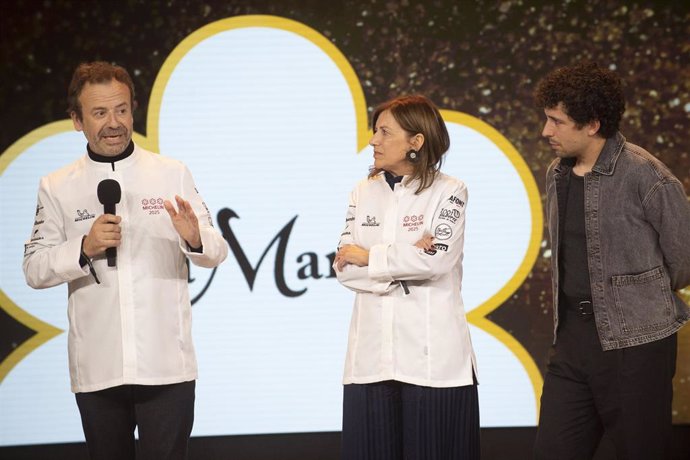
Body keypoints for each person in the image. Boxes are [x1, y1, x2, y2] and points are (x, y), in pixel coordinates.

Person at [22, 61, 228, 460]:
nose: (113, 123)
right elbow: (34, 268)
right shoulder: (56, 185)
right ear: (76, 121)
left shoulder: (171, 172)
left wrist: (193, 236)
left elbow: (216, 250)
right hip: (98, 368)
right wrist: (83, 246)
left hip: (167, 365)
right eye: (99, 113)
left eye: (121, 110)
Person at [533, 61, 690, 459]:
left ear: (592, 124)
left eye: (556, 121)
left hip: (635, 346)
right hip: (571, 344)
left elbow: (685, 260)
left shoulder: (647, 176)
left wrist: (635, 296)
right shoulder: (557, 174)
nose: (545, 131)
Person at [334, 95, 480, 460]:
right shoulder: (361, 191)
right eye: (375, 131)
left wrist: (370, 257)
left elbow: (436, 261)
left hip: (435, 365)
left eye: (384, 132)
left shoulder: (450, 190)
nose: (373, 141)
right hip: (369, 362)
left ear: (416, 141)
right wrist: (407, 260)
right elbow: (345, 270)